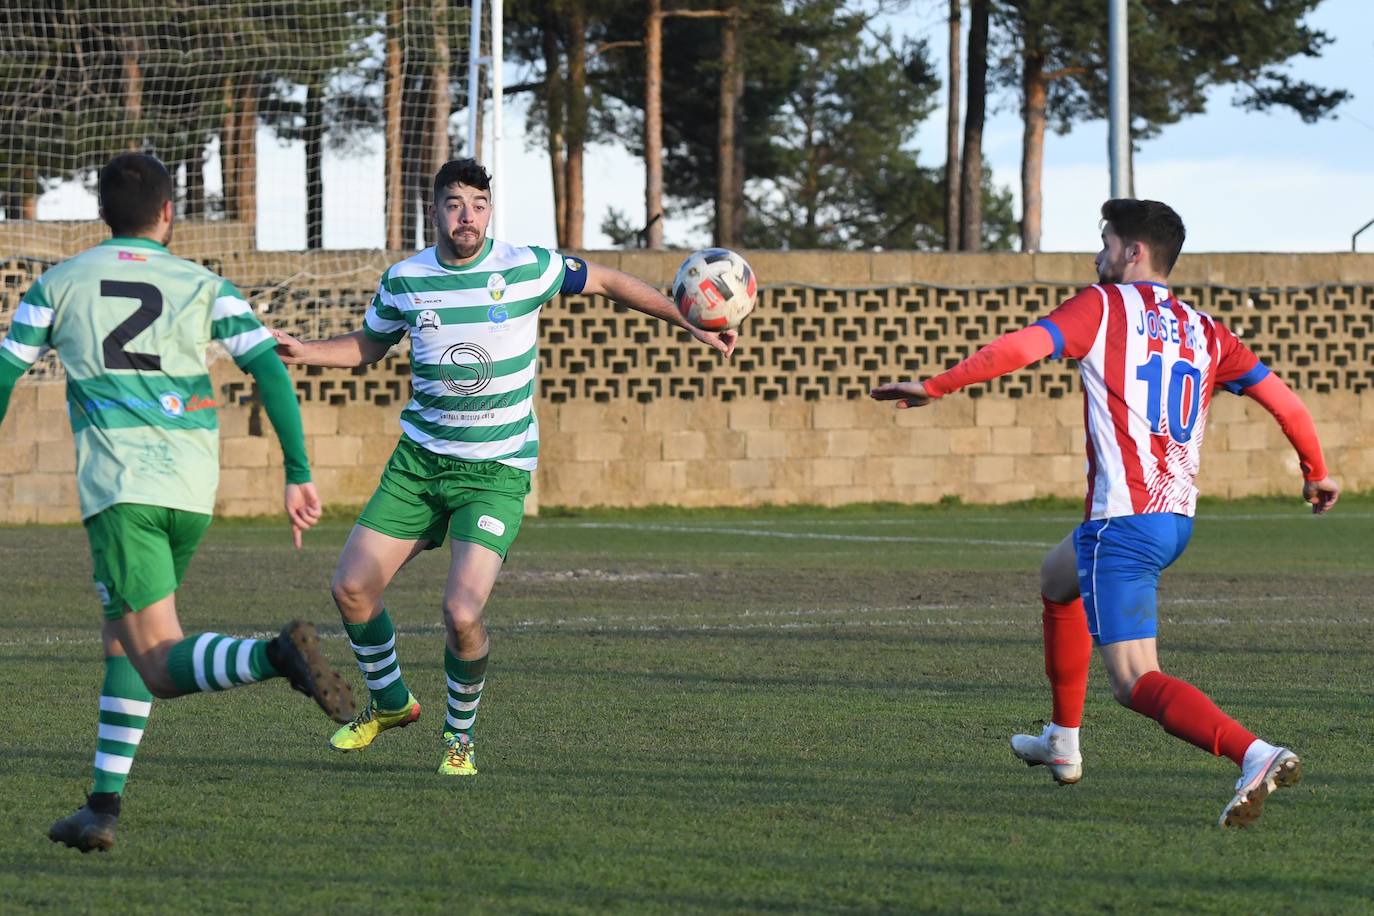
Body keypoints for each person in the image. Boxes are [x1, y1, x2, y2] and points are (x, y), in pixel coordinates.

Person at [871, 198, 1339, 828]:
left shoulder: (1102, 305)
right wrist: (1317, 472)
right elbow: (1288, 404)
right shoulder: (1207, 331)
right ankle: (1062, 740)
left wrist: (935, 385)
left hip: (1122, 522)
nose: (1097, 256)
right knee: (1054, 577)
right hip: (1172, 521)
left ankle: (1255, 753)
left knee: (1134, 681)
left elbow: (1022, 346)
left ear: (1132, 252)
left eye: (1105, 242)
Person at [271, 157, 736, 776]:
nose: (468, 217)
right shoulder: (406, 279)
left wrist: (691, 322)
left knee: (462, 613)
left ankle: (457, 738)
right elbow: (368, 346)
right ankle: (389, 704)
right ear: (433, 209)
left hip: (495, 472)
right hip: (419, 465)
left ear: (491, 210)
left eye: (479, 205)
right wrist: (306, 352)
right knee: (351, 589)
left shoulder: (526, 267)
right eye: (456, 204)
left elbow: (607, 281)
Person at [0, 153, 357, 853]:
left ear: (103, 214)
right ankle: (101, 806)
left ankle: (274, 656)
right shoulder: (206, 284)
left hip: (121, 491)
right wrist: (298, 470)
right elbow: (266, 370)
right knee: (123, 639)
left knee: (160, 663)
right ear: (170, 214)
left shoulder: (56, 285)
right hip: (192, 491)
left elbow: (5, 375)